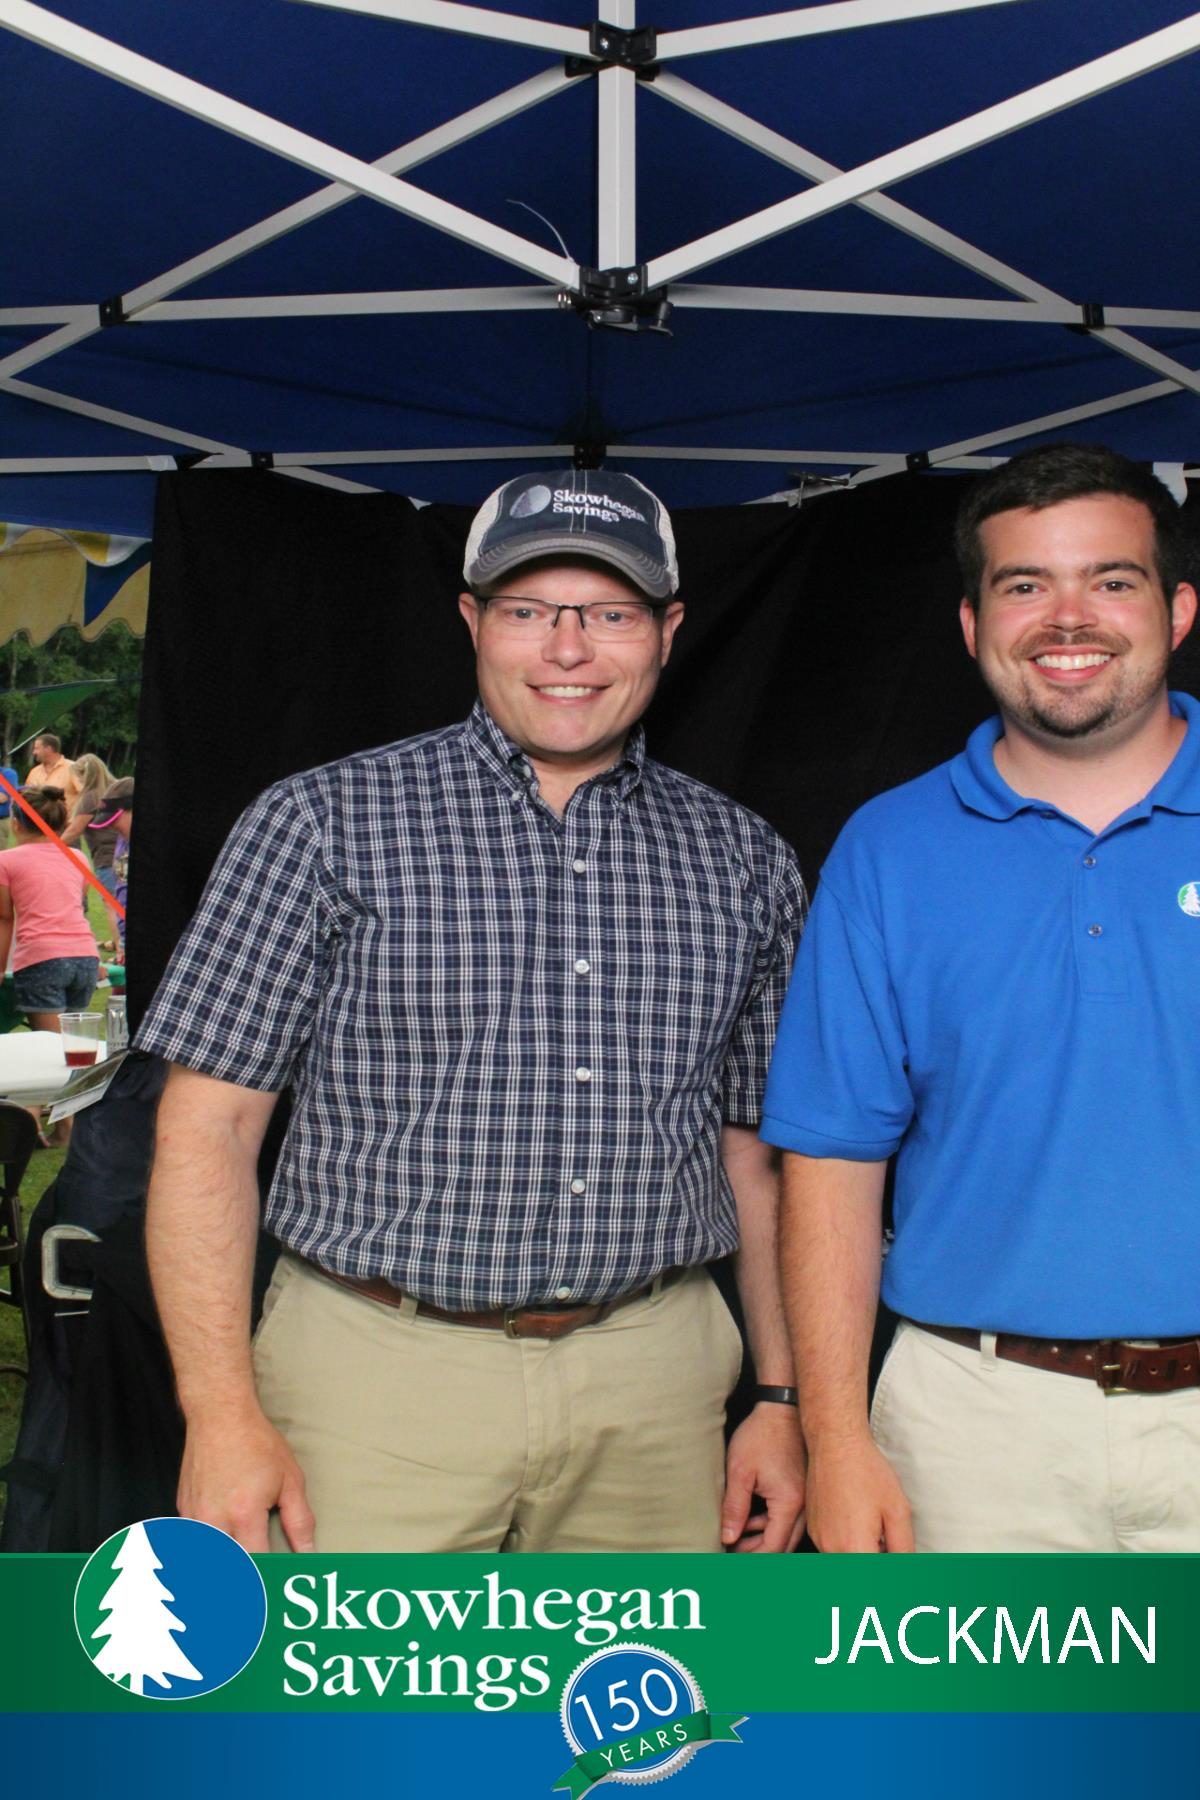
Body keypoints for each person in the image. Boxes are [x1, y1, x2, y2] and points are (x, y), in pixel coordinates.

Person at [137, 468, 808, 1555]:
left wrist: (781, 1402)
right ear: (472, 620)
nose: (568, 649)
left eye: (609, 613)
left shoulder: (746, 860)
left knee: (644, 1719)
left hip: (657, 1375)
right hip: (375, 1371)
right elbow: (205, 1131)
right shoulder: (318, 824)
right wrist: (219, 1414)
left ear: (669, 629)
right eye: (529, 611)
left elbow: (761, 1160)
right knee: (354, 1712)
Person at [763, 441, 1200, 1554]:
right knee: (988, 1737)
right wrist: (837, 1439)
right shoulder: (888, 851)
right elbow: (830, 1169)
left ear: (1178, 609)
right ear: (972, 625)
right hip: (971, 1430)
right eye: (1024, 585)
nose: (1068, 619)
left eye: (1110, 580)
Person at [0, 785, 100, 1032]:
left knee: (51, 1049)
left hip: (42, 960)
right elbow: (77, 908)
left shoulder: (6, 860)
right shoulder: (79, 857)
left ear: (16, 824)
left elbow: (4, 918)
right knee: (74, 1046)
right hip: (85, 959)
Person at [63, 754, 121, 947]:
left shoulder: (90, 797)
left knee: (111, 902)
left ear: (83, 776)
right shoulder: (114, 791)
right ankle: (120, 943)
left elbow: (74, 829)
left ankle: (121, 948)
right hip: (122, 851)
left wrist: (51, 847)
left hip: (105, 856)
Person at [25, 734, 81, 806]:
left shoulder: (74, 768)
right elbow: (26, 797)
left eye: (36, 748)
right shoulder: (34, 772)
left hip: (67, 816)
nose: (34, 752)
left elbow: (86, 795)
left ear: (48, 749)